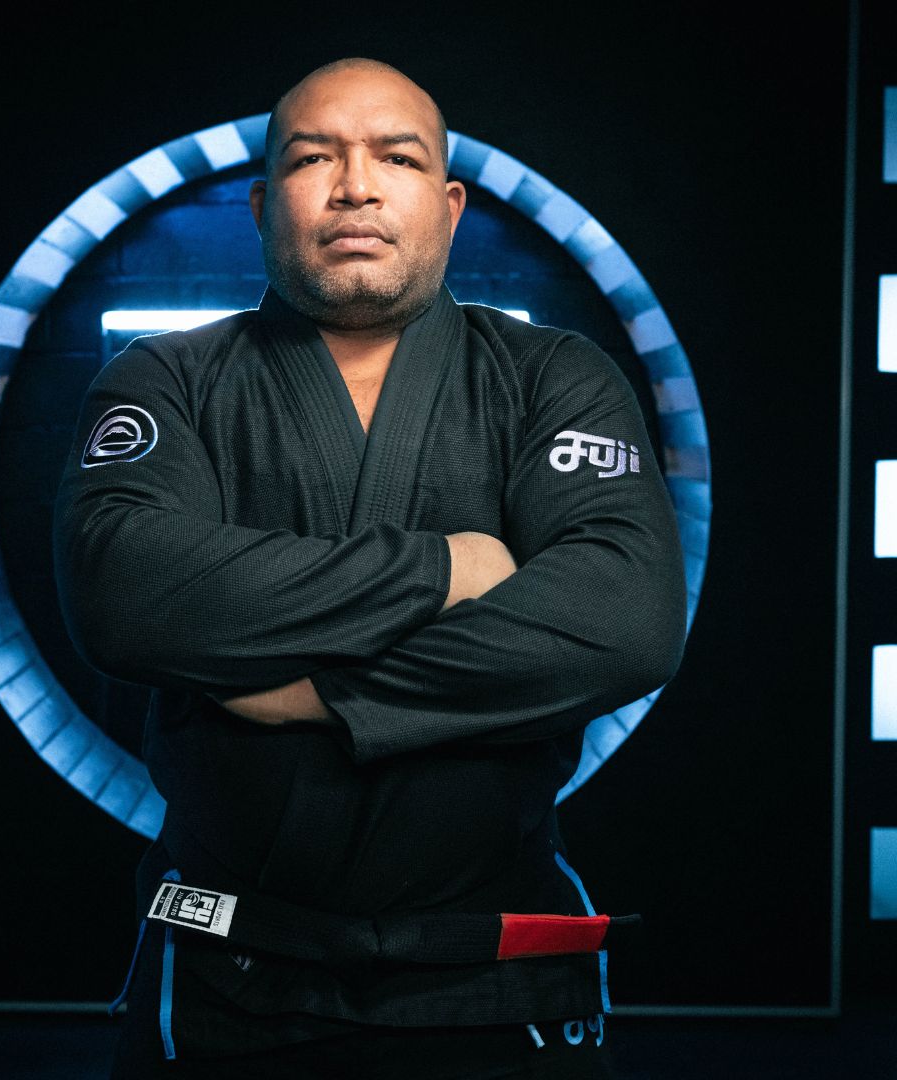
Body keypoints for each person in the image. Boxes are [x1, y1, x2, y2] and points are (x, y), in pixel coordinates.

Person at [53, 56, 686, 1079]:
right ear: (263, 206)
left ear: (448, 207)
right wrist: (446, 567)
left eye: (395, 156)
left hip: (491, 959)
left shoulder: (552, 379)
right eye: (314, 158)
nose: (355, 184)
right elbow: (126, 595)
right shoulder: (167, 379)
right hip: (230, 955)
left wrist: (318, 695)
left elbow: (624, 620)